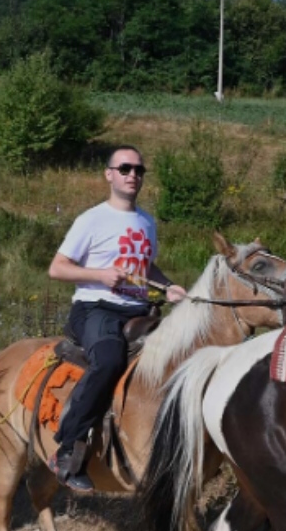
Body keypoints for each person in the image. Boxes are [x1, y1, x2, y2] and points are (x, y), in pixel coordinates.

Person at [46, 145, 186, 493]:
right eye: (125, 168)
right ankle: (67, 450)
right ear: (109, 174)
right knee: (108, 361)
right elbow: (57, 268)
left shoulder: (147, 221)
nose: (133, 175)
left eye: (139, 170)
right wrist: (100, 275)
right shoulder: (91, 219)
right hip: (96, 308)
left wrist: (169, 288)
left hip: (139, 311)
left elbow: (145, 265)